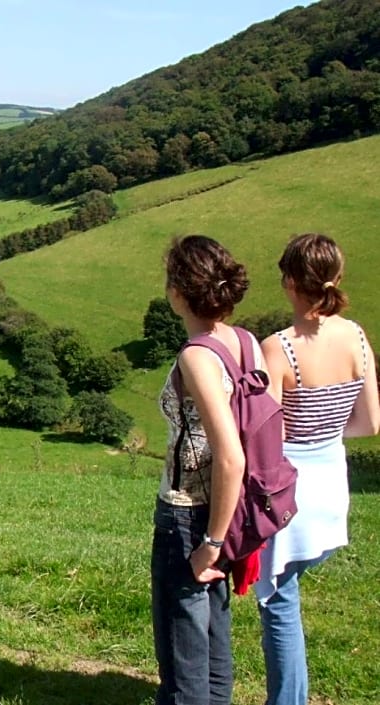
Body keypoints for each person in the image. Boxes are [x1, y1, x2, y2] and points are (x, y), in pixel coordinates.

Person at [255, 233, 380, 705]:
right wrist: (324, 432)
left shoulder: (278, 348)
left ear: (289, 282)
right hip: (333, 485)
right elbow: (369, 423)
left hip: (291, 493)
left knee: (278, 603)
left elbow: (266, 437)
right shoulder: (357, 336)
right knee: (286, 597)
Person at [152, 234, 259, 705]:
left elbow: (231, 453)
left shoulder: (196, 356)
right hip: (230, 507)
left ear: (179, 292)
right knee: (214, 642)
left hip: (189, 514)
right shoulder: (245, 342)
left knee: (183, 654)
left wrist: (210, 544)